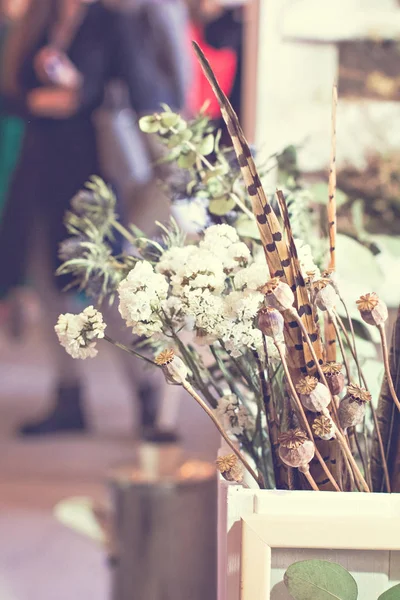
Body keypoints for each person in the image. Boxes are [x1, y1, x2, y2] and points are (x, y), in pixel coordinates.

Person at [0, 0, 188, 437]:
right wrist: (42, 98)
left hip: (92, 174)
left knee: (104, 286)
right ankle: (68, 398)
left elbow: (148, 91)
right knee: (46, 285)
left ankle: (147, 394)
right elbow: (11, 91)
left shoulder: (112, 23)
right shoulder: (36, 22)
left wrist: (81, 92)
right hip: (39, 170)